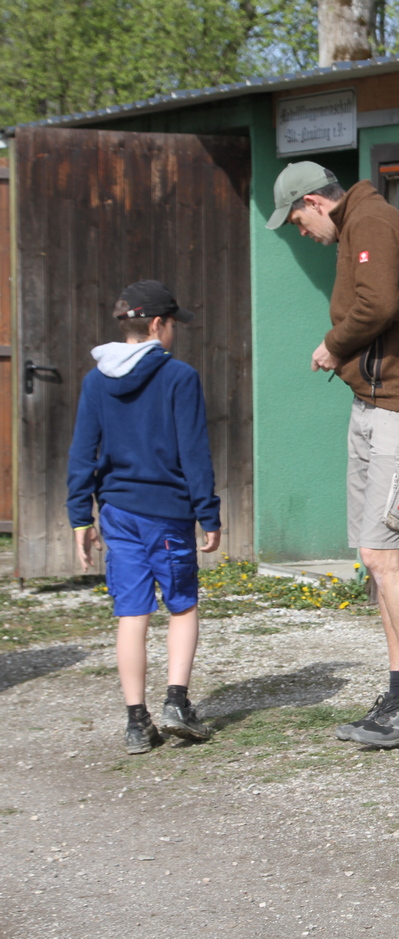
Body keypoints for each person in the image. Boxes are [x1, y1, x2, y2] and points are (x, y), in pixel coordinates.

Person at [267, 161, 399, 748]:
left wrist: (332, 345)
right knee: (376, 558)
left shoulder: (372, 221)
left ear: (314, 202)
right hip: (374, 404)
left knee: (386, 554)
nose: (303, 234)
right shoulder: (357, 226)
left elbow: (377, 306)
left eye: (299, 222)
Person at [67, 281, 223, 755]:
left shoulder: (96, 380)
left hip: (117, 513)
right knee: (182, 606)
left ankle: (137, 722)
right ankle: (176, 703)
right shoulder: (179, 376)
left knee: (131, 613)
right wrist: (208, 513)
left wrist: (81, 517)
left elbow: (82, 451)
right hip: (168, 513)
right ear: (157, 324)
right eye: (173, 324)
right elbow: (193, 451)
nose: (174, 332)